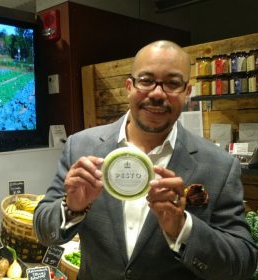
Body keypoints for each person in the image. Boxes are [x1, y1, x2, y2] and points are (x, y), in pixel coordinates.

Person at [33, 40, 258, 280]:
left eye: (172, 83)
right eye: (146, 80)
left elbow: (242, 263)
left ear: (186, 92)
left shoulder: (219, 166)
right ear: (129, 86)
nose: (157, 93)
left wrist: (183, 228)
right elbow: (44, 231)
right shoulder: (80, 146)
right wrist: (71, 207)